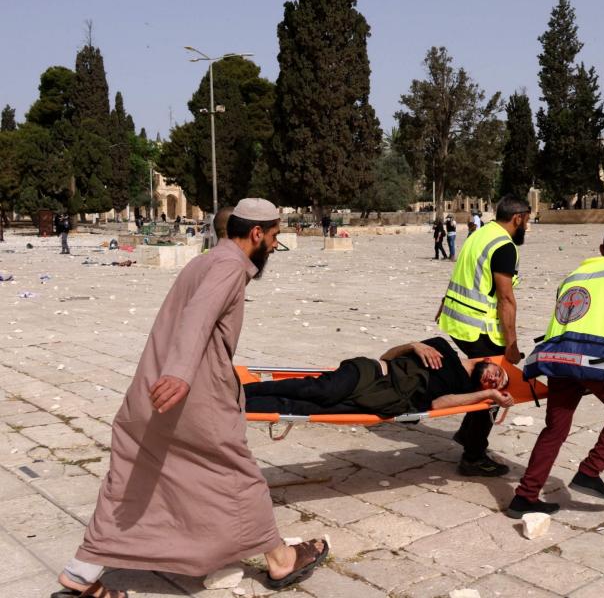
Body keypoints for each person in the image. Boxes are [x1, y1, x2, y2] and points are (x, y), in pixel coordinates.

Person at [52, 199, 327, 598]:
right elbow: (198, 315)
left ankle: (80, 573)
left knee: (132, 477)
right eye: (274, 236)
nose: (274, 244)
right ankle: (281, 560)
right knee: (236, 475)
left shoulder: (206, 260)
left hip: (151, 390)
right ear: (256, 234)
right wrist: (180, 372)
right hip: (192, 395)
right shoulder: (229, 266)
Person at [508, 224, 604, 518]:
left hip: (558, 359)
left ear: (601, 250)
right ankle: (590, 471)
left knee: (555, 429)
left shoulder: (573, 275)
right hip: (594, 361)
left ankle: (524, 496)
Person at [436, 195, 531, 476]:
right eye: (527, 219)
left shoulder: (481, 234)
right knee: (495, 384)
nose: (528, 225)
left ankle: (469, 437)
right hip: (478, 326)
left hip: (457, 319)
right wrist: (511, 345)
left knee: (482, 381)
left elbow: (465, 274)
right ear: (518, 218)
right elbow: (505, 299)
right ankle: (473, 455)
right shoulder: (504, 246)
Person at [244, 338, 514, 416]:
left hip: (381, 401)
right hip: (369, 374)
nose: (493, 380)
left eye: (495, 384)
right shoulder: (442, 347)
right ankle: (245, 390)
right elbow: (387, 356)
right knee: (318, 391)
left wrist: (488, 395)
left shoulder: (467, 392)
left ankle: (240, 405)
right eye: (497, 374)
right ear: (489, 362)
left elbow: (437, 405)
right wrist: (412, 346)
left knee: (302, 409)